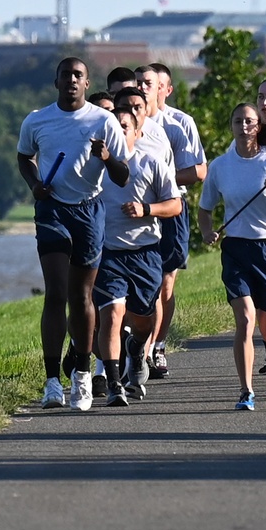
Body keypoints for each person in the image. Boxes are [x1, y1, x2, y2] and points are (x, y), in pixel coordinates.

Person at [17, 57, 130, 411]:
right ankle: (52, 381)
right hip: (52, 209)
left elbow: (123, 175)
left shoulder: (103, 120)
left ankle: (82, 373)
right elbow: (24, 157)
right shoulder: (38, 120)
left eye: (78, 76)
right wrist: (35, 184)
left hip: (88, 210)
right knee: (56, 292)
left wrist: (108, 157)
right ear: (56, 82)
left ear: (86, 83)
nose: (71, 81)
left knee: (82, 297)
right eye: (65, 75)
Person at [198, 104, 266, 410]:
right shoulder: (220, 166)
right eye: (237, 121)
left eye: (249, 121)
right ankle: (246, 391)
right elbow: (205, 209)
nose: (243, 126)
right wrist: (207, 232)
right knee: (245, 320)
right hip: (237, 250)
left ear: (258, 126)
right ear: (230, 126)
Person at [93, 103, 181, 405]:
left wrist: (147, 209)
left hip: (145, 253)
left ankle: (136, 347)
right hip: (108, 254)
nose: (119, 133)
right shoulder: (95, 169)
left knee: (142, 321)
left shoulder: (151, 163)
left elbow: (175, 205)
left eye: (125, 127)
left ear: (137, 132)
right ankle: (115, 383)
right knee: (112, 315)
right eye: (113, 128)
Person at [135, 62, 207, 378]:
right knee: (138, 281)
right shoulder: (124, 121)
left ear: (165, 88)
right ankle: (138, 347)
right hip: (134, 211)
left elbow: (198, 171)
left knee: (165, 283)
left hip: (170, 208)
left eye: (148, 82)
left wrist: (160, 179)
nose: (140, 87)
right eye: (136, 82)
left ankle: (158, 346)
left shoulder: (178, 123)